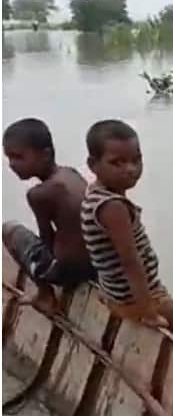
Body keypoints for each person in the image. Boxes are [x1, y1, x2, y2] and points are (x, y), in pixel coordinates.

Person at [80, 119, 173, 359]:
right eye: (117, 163)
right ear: (93, 165)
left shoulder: (95, 194)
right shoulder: (113, 206)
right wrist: (148, 310)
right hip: (142, 298)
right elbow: (130, 260)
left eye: (136, 160)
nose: (130, 169)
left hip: (117, 293)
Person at [2, 118, 95, 314]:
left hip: (69, 271)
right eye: (9, 158)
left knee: (9, 230)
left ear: (45, 155)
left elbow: (46, 238)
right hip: (95, 266)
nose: (12, 165)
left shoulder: (39, 194)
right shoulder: (70, 173)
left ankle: (45, 295)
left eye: (18, 157)